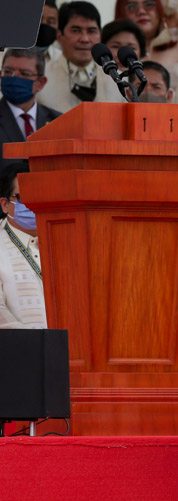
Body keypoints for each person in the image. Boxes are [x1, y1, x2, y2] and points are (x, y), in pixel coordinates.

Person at [36, 1, 125, 114]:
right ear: (59, 36)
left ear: (100, 36)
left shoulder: (118, 80)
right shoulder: (40, 80)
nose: (84, 39)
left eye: (91, 31)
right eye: (76, 30)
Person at [113, 0, 178, 90]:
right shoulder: (114, 52)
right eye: (132, 6)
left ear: (159, 9)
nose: (141, 11)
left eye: (148, 4)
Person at [0, 163, 45, 328]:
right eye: (24, 197)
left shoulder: (67, 240)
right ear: (5, 204)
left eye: (41, 194)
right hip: (19, 349)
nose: (35, 203)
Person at [0, 49, 61, 168]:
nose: (14, 78)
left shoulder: (58, 121)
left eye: (24, 73)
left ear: (41, 83)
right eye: (8, 72)